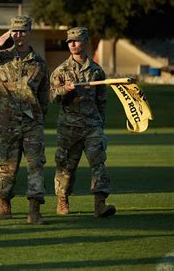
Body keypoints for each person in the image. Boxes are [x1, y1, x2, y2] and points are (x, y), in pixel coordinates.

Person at [0, 16, 49, 224]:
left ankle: (34, 209)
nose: (18, 35)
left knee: (36, 165)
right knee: (6, 167)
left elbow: (43, 94)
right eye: (14, 31)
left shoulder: (38, 62)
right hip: (8, 122)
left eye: (22, 31)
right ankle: (5, 202)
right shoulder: (0, 57)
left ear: (29, 31)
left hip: (32, 123)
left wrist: (40, 118)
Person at [50, 27, 116, 218]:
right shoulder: (61, 71)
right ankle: (62, 198)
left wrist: (100, 124)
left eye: (76, 41)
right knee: (66, 167)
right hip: (69, 127)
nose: (72, 44)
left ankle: (100, 204)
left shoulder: (96, 71)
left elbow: (101, 100)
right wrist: (64, 90)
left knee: (99, 163)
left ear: (85, 42)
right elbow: (52, 97)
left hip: (92, 126)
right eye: (69, 41)